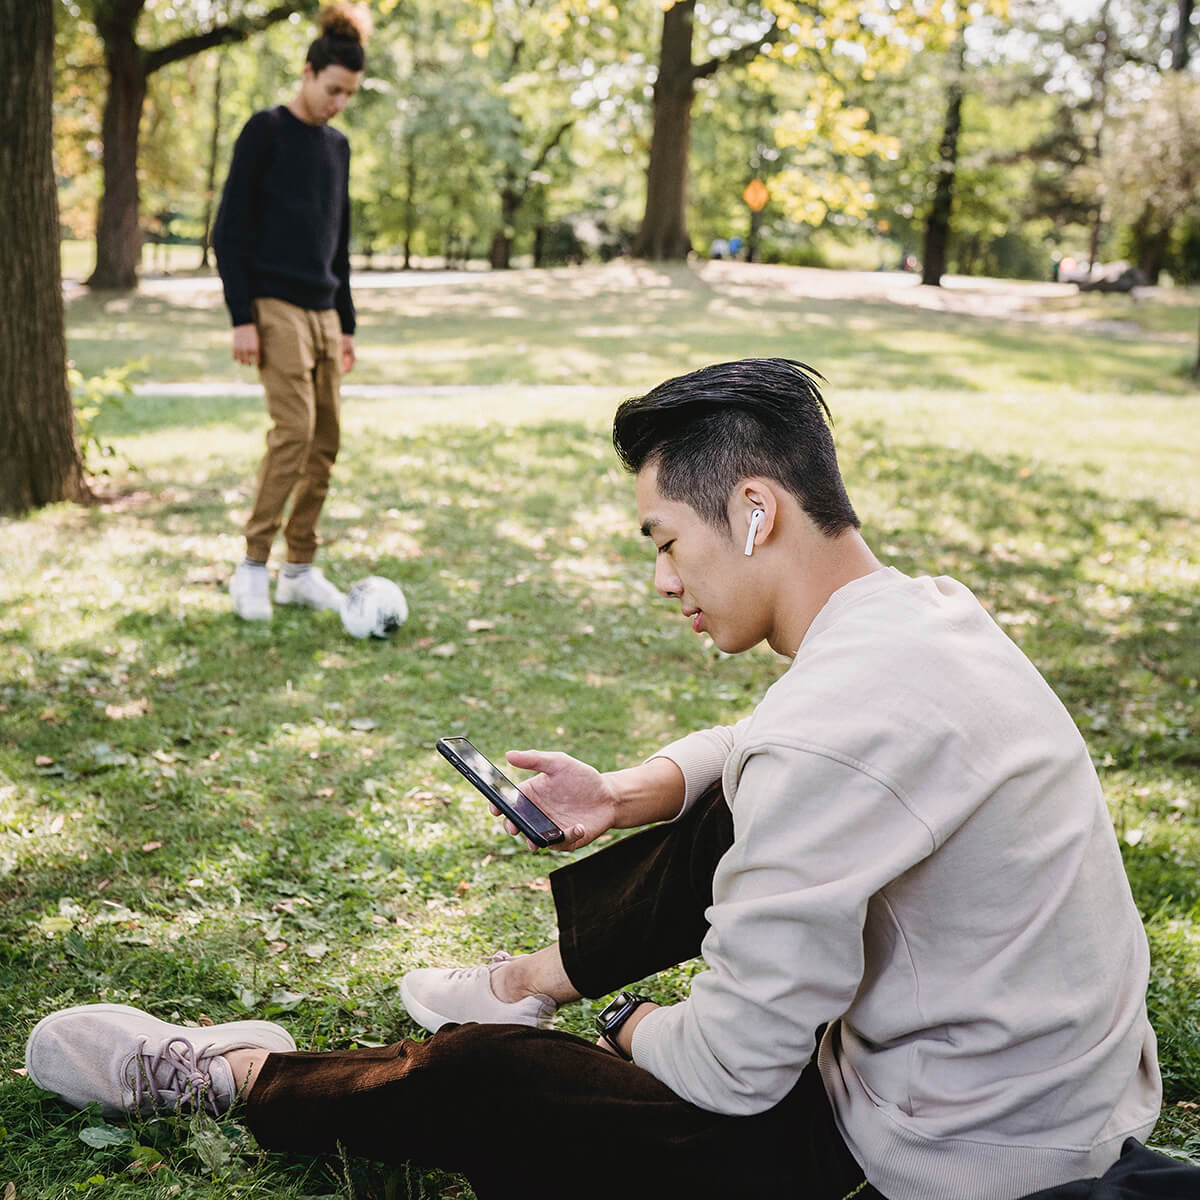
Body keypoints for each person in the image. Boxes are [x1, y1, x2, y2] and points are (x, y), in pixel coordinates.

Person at [25, 359, 1163, 1200]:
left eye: (666, 540)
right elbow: (774, 743)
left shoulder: (828, 736)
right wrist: (628, 791)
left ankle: (238, 1078)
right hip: (1043, 1099)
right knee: (726, 802)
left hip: (947, 1159)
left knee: (484, 1078)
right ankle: (534, 974)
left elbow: (730, 1064)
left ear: (755, 509)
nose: (664, 579)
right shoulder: (926, 618)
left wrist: (628, 1029)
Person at [212, 3, 370, 623]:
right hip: (273, 305)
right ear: (308, 73)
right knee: (295, 433)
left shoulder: (338, 147)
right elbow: (228, 232)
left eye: (349, 95)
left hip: (324, 310)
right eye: (333, 89)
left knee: (326, 439)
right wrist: (241, 317)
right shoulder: (265, 131)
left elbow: (339, 243)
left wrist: (348, 324)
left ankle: (299, 569)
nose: (338, 102)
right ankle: (252, 565)